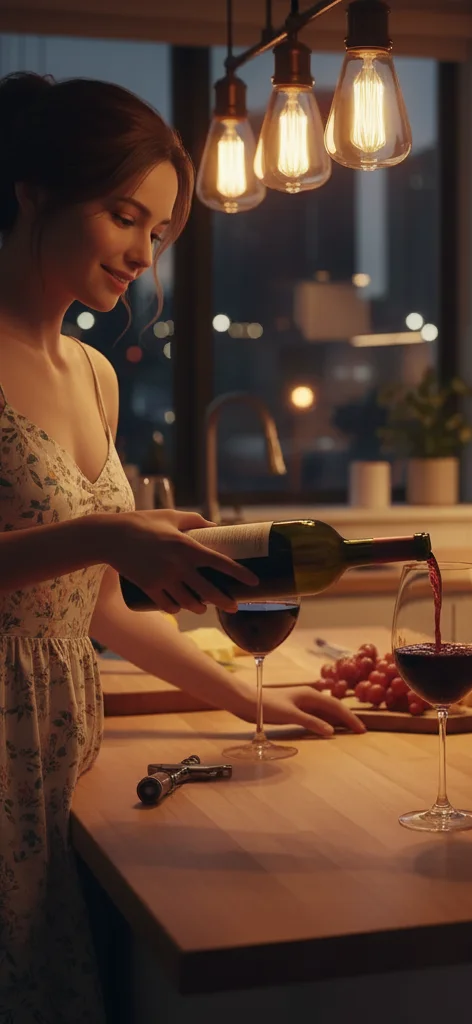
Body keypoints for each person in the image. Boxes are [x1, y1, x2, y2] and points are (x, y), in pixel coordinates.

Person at [0, 72, 366, 1022]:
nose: (142, 253)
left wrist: (255, 698)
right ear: (32, 192)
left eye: (158, 234)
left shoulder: (90, 373)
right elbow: (85, 555)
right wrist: (103, 533)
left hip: (51, 750)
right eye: (126, 216)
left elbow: (103, 609)